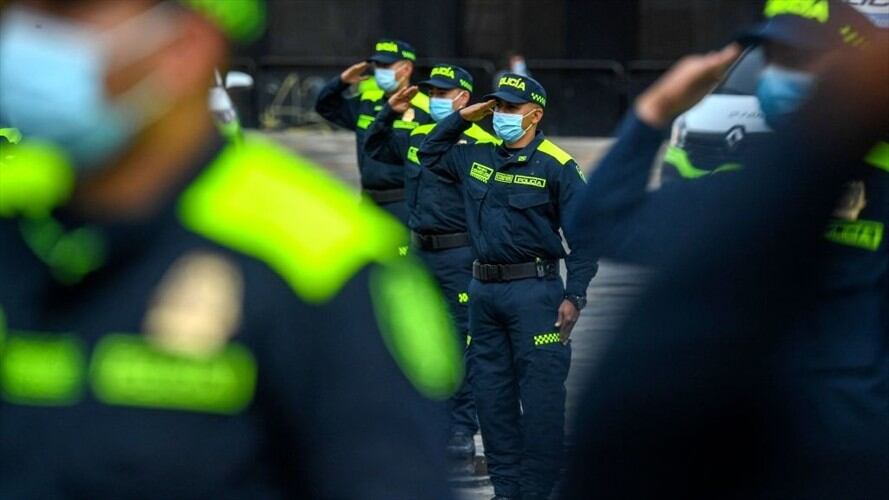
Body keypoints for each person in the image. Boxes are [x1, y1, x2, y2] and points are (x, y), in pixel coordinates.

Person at [0, 1, 462, 498]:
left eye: (64, 13)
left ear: (184, 45)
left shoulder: (324, 266)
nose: (25, 37)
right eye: (16, 11)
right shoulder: (14, 213)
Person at [563, 1, 888, 497]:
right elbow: (600, 221)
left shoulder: (753, 197)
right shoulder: (742, 194)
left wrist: (656, 109)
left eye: (800, 62)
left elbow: (602, 218)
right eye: (773, 61)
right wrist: (655, 111)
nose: (779, 77)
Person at [418, 73, 597, 500]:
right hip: (484, 293)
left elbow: (587, 238)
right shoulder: (476, 155)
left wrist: (575, 295)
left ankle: (538, 491)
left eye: (511, 109)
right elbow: (430, 151)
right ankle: (507, 489)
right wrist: (464, 116)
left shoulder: (558, 165)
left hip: (535, 294)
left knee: (540, 398)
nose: (501, 115)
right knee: (491, 397)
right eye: (497, 107)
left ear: (534, 115)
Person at [364, 63, 500, 464]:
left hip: (459, 255)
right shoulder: (421, 136)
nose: (434, 100)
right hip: (419, 252)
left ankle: (460, 426)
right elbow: (373, 145)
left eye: (443, 94)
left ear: (463, 98)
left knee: (461, 343)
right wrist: (389, 111)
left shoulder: (482, 143)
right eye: (432, 93)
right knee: (415, 337)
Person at [315, 38, 430, 228]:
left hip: (404, 202)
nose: (380, 71)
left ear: (407, 68)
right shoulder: (367, 101)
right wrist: (342, 82)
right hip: (368, 203)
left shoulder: (425, 108)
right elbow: (325, 106)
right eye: (377, 65)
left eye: (386, 65)